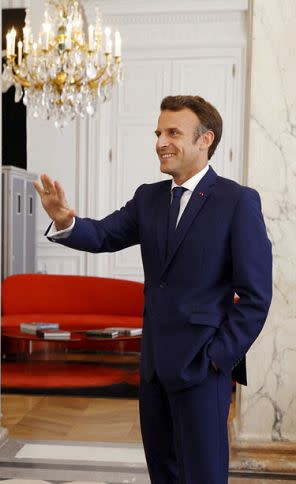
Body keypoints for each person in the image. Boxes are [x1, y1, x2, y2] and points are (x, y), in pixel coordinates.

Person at [34, 95, 272, 483]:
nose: (161, 141)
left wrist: (217, 358)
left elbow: (256, 296)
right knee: (163, 473)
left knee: (204, 476)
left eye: (173, 132)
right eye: (158, 132)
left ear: (205, 139)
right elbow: (104, 234)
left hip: (202, 368)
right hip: (153, 370)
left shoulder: (237, 201)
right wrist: (65, 220)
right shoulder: (149, 198)